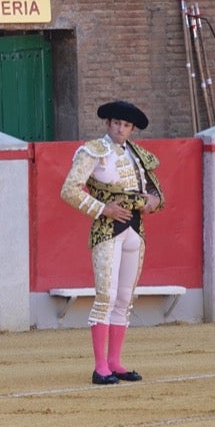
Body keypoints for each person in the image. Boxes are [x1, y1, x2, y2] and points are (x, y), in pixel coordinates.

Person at [60, 100, 164, 385]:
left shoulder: (138, 155)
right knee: (105, 297)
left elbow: (155, 193)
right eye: (116, 123)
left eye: (126, 125)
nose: (120, 129)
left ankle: (115, 362)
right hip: (107, 229)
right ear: (107, 124)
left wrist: (152, 202)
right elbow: (68, 190)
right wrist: (103, 209)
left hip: (135, 229)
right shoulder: (93, 150)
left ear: (132, 129)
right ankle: (100, 367)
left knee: (124, 299)